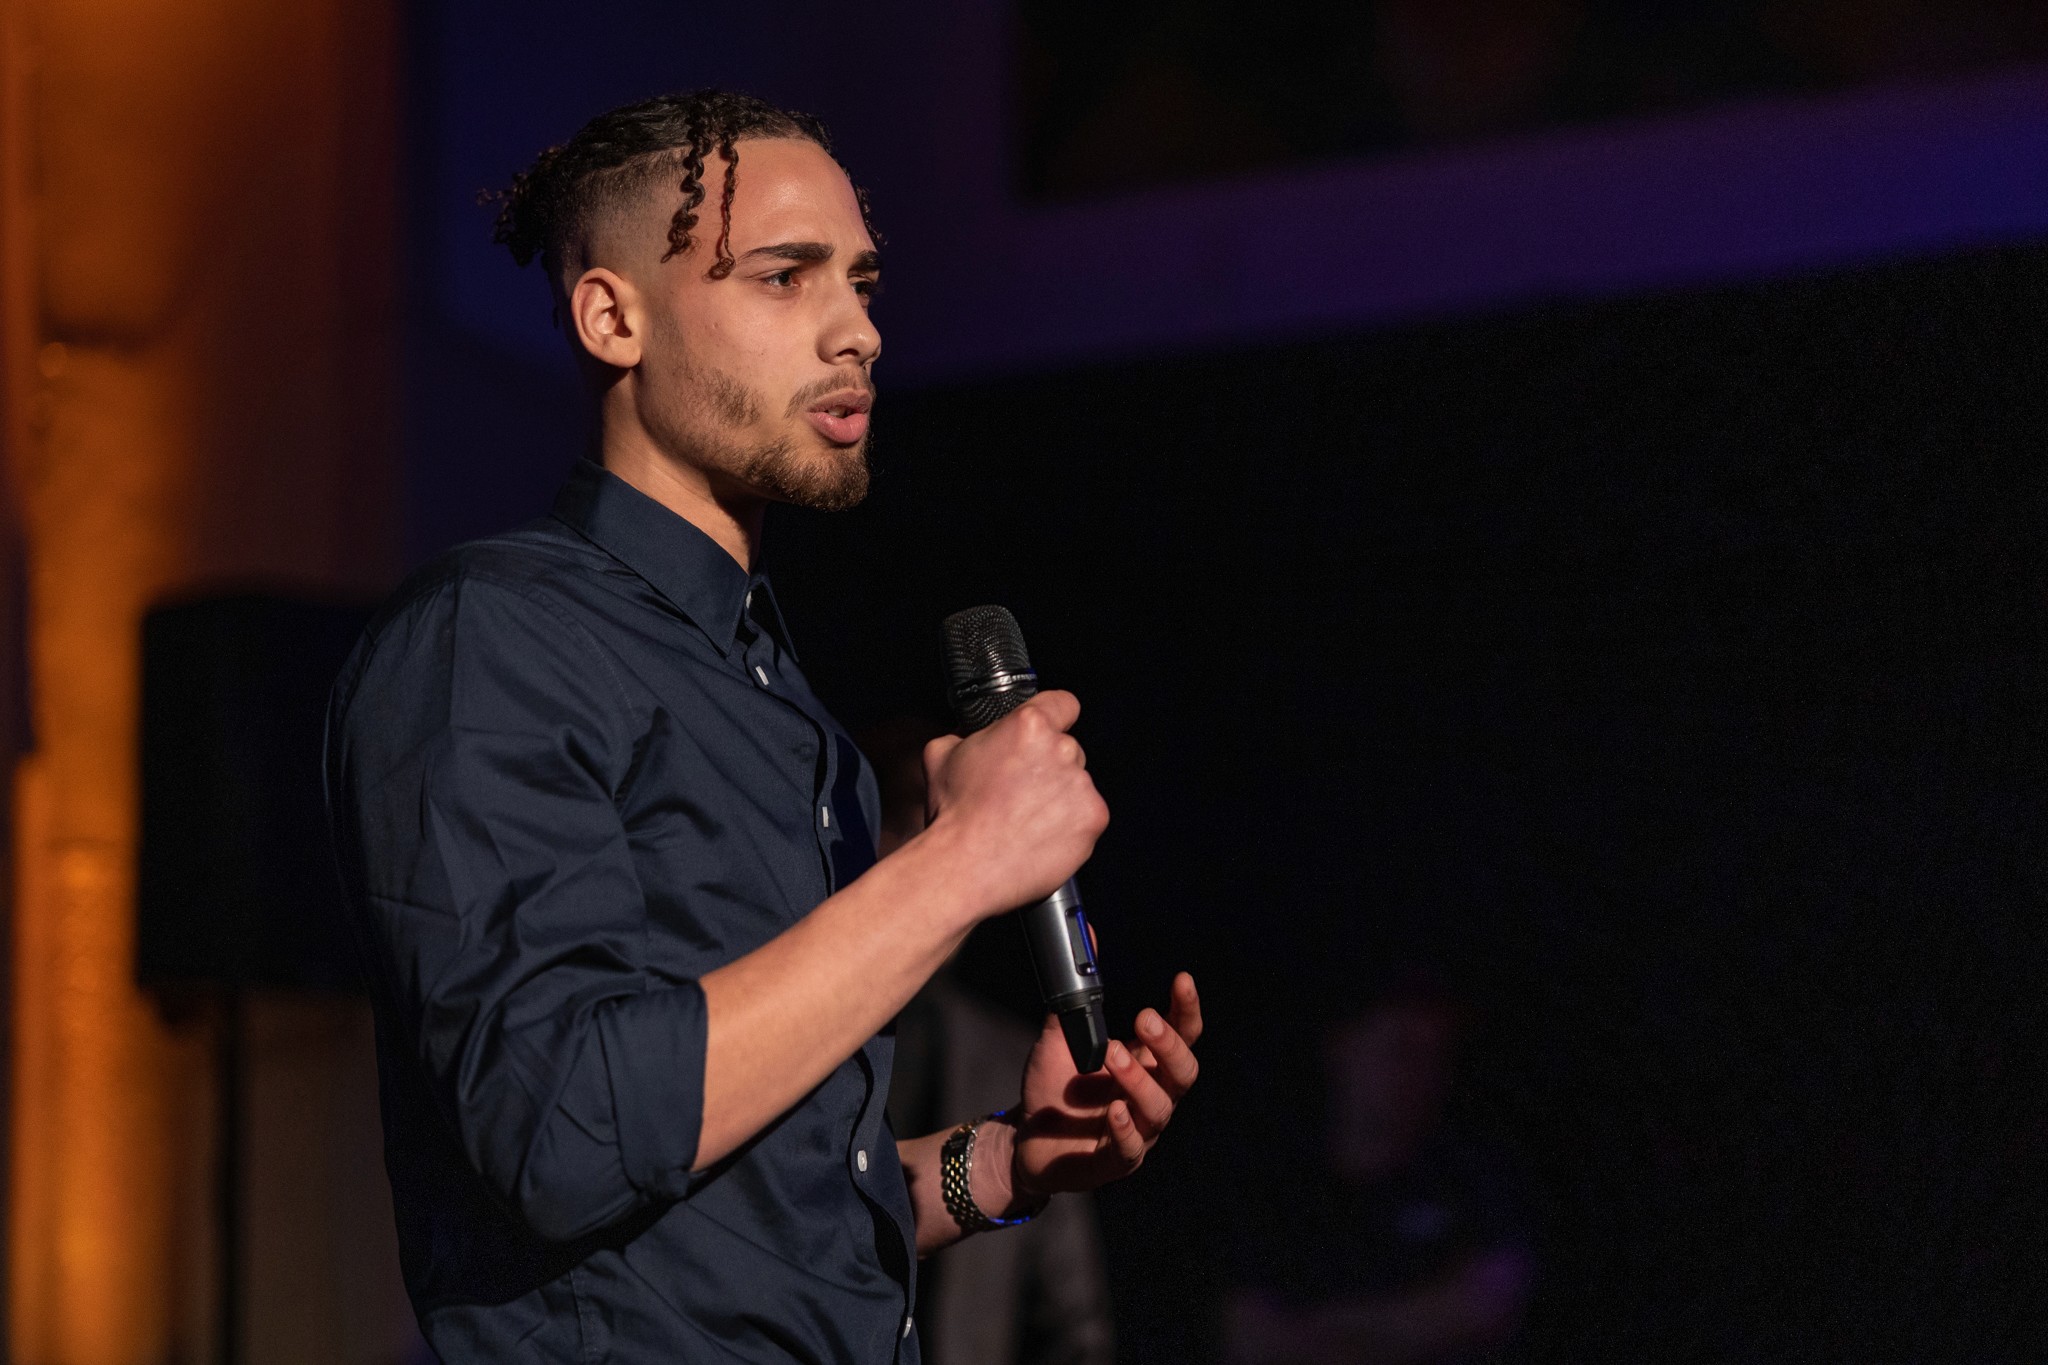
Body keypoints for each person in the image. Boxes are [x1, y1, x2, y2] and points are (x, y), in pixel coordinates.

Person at [324, 90, 1203, 1364]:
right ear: (612, 318)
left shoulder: (779, 702)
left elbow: (766, 1220)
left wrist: (1008, 1165)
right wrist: (959, 863)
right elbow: (560, 1133)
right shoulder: (493, 636)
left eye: (860, 282)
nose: (857, 330)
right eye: (784, 277)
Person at [865, 715, 1118, 1365]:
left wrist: (1008, 1160)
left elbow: (1075, 1324)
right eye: (910, 831)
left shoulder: (1005, 1057)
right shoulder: (801, 1029)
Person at [1223, 977, 1530, 1365]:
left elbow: (1488, 1304)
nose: (1420, 1074)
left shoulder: (1473, 1180)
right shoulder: (1280, 1188)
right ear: (1344, 1046)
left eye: (1437, 1056)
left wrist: (1333, 1326)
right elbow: (1246, 1337)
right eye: (1402, 1050)